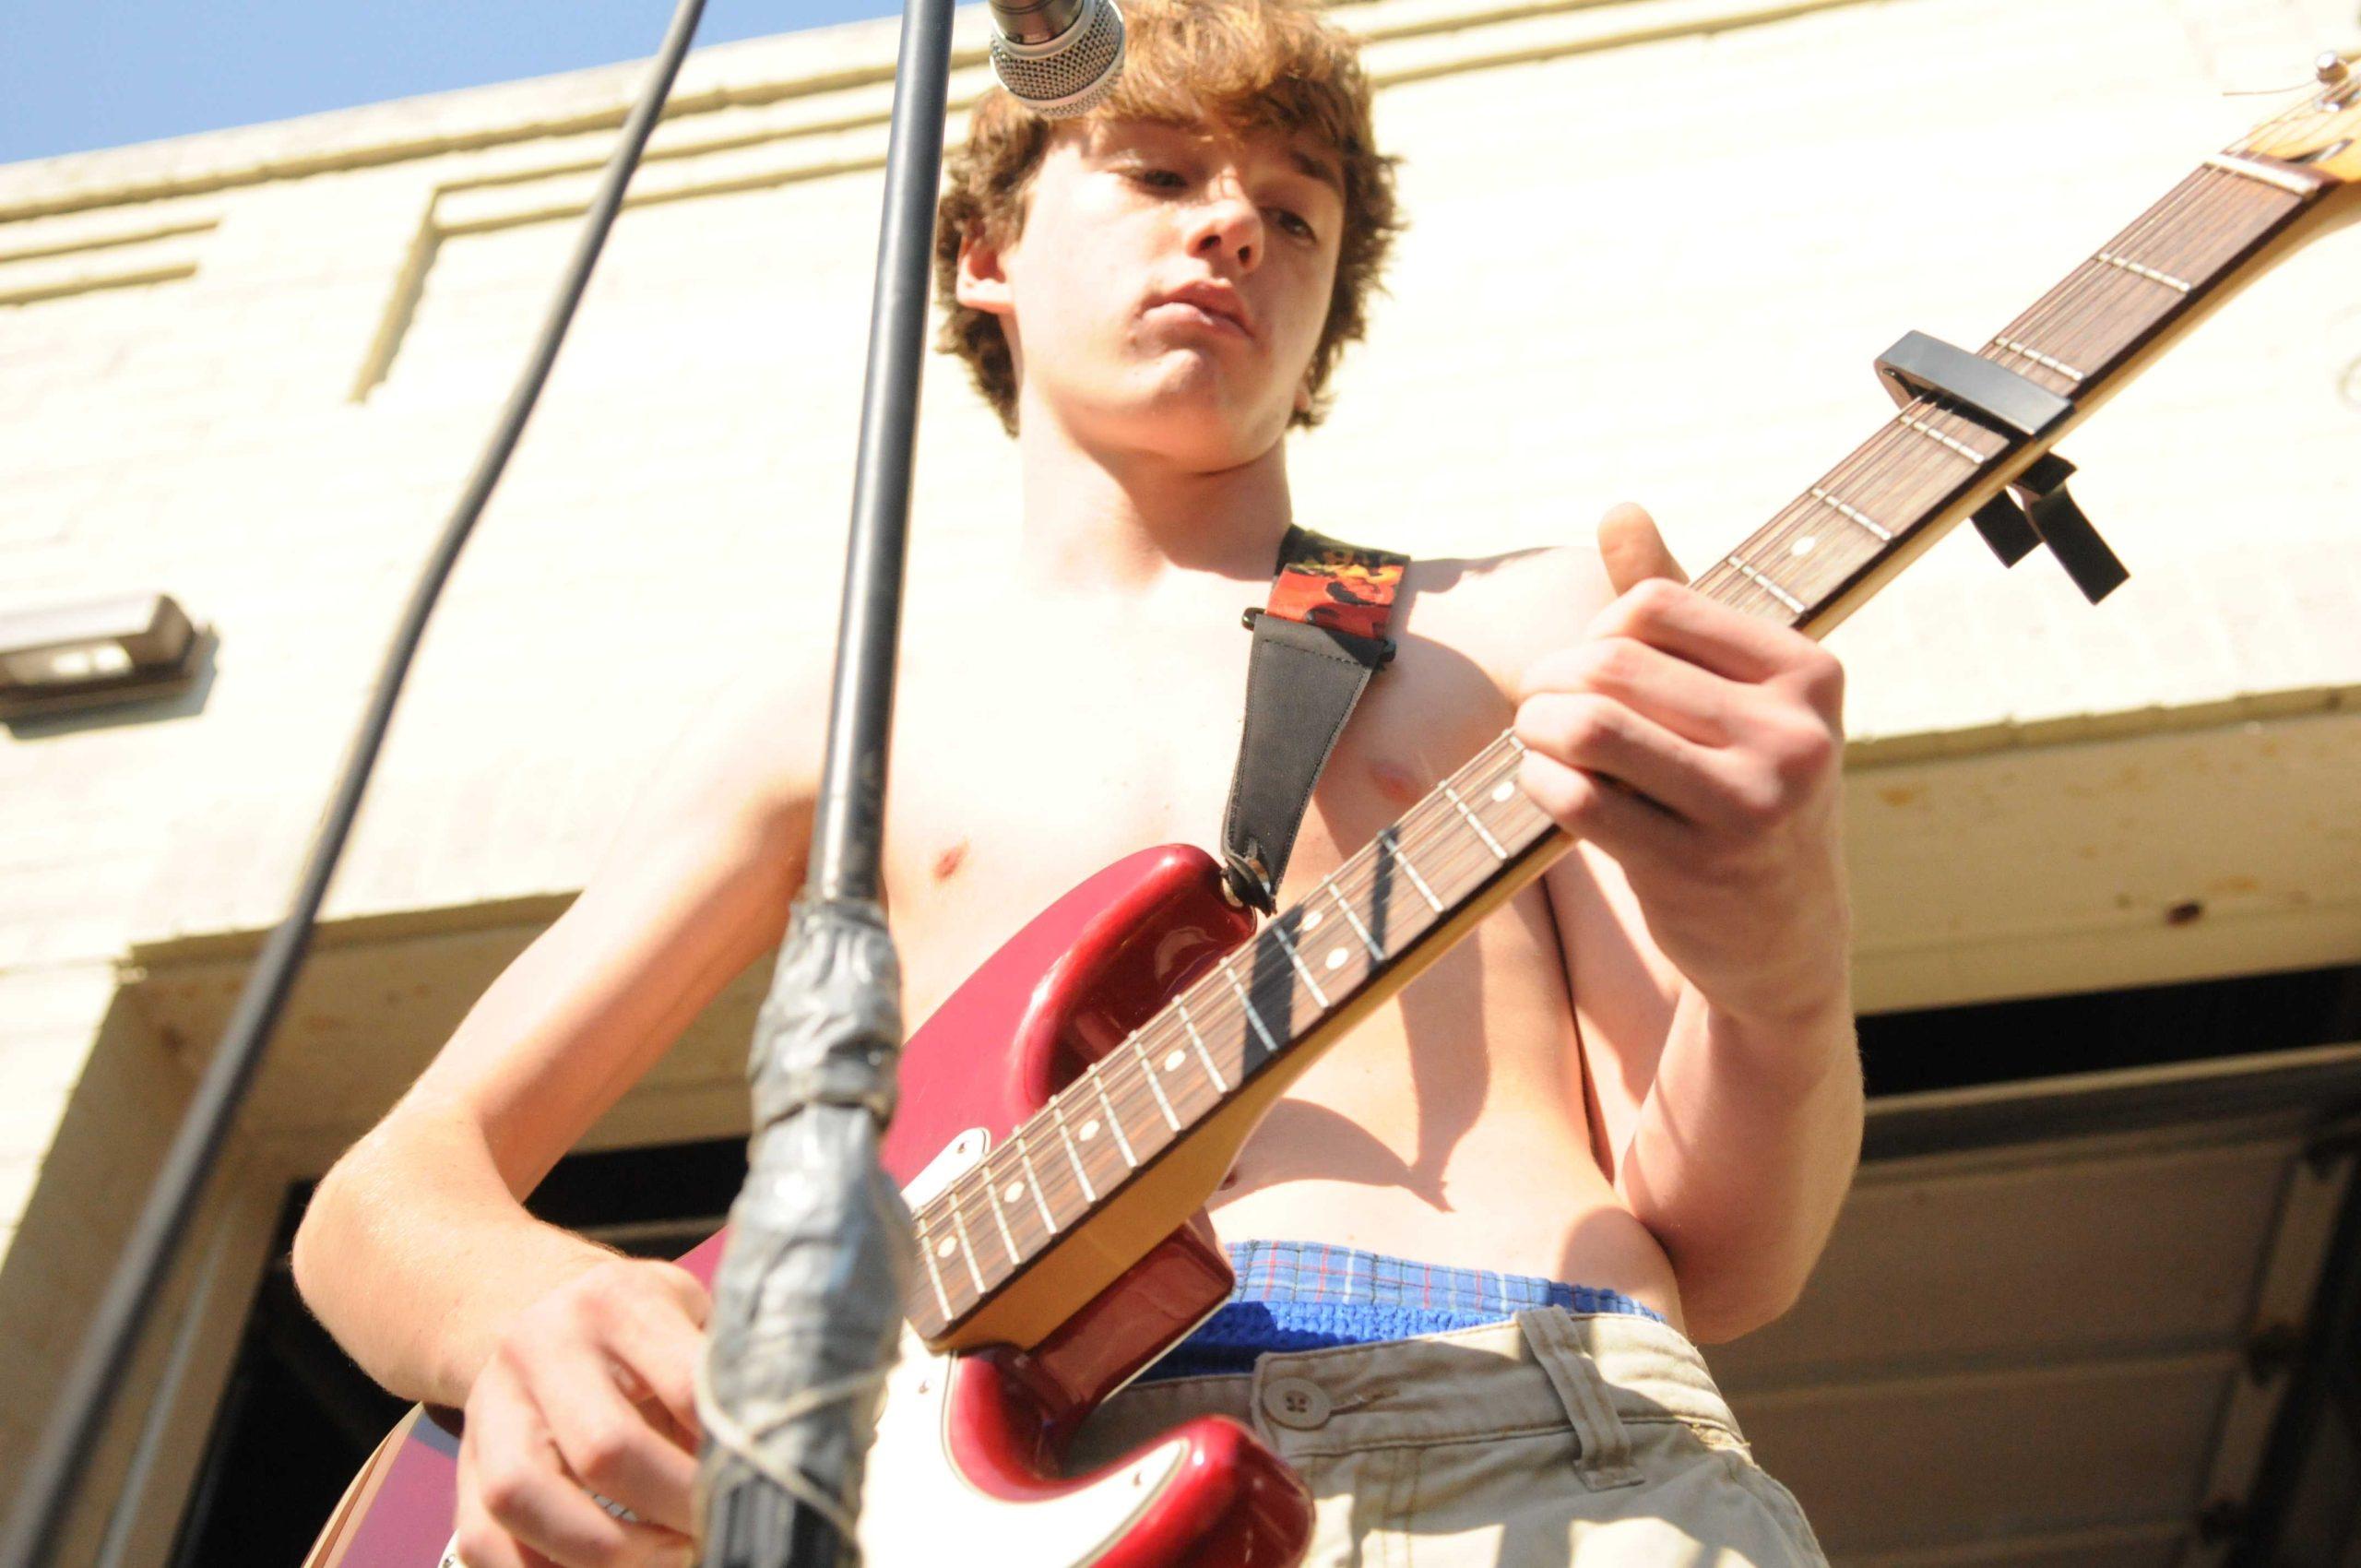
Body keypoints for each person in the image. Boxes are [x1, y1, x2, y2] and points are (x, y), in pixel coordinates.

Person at [292, 1, 1861, 1562]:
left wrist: (1776, 965)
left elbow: (1733, 1254)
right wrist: (550, 1326)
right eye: (1164, 176)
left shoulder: (1527, 626)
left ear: (1326, 319)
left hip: (1522, 1433)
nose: (1236, 226)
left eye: (1294, 211)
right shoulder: (835, 715)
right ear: (986, 252)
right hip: (959, 1507)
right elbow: (381, 1204)